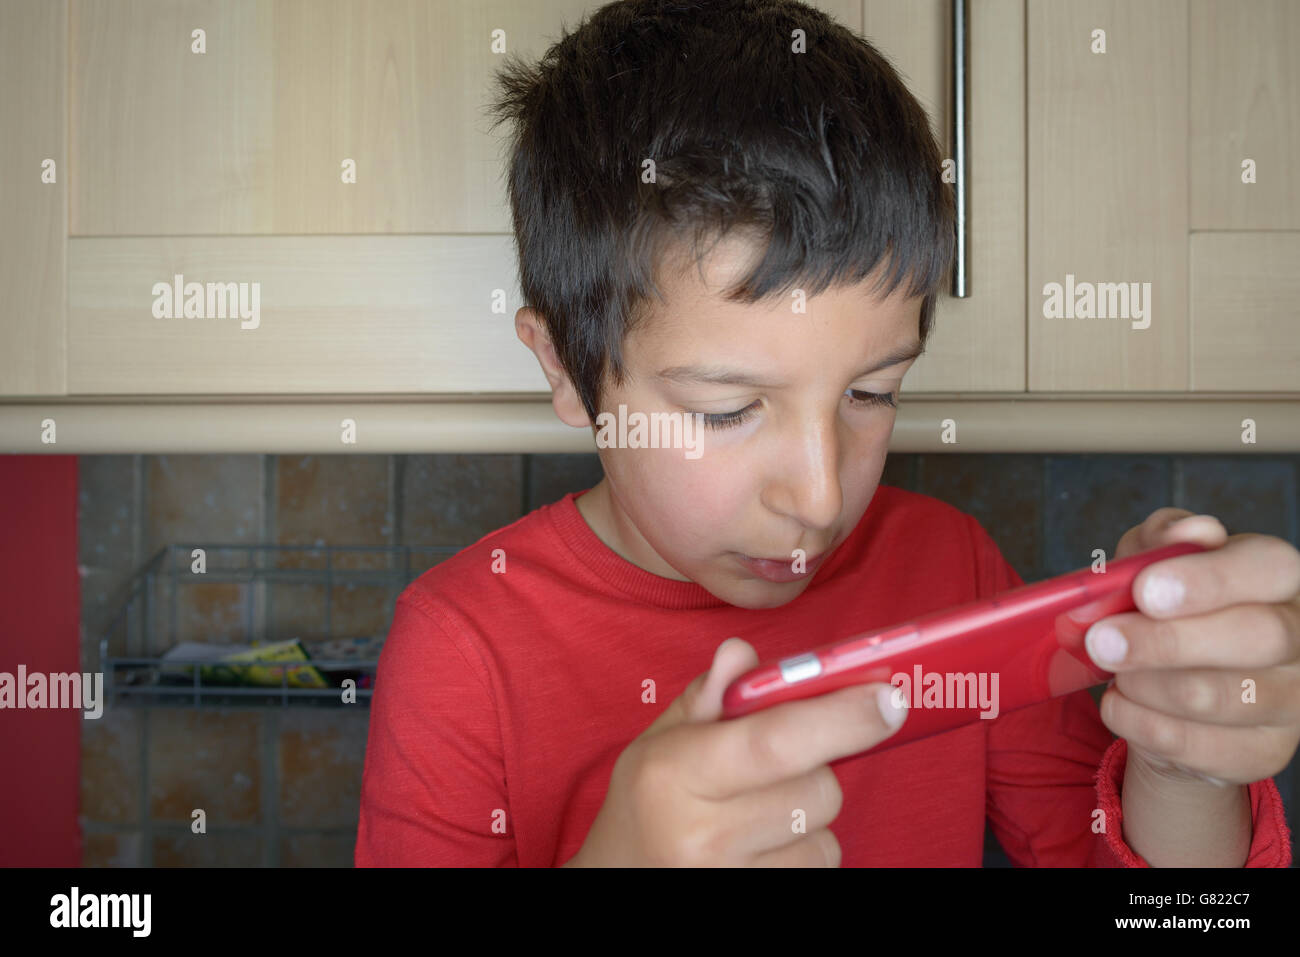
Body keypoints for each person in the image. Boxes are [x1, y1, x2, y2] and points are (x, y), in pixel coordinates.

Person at [356, 0, 1297, 867]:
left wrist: (1183, 768)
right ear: (564, 366)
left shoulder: (950, 571)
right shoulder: (462, 647)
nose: (817, 496)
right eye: (727, 409)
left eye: (873, 393)